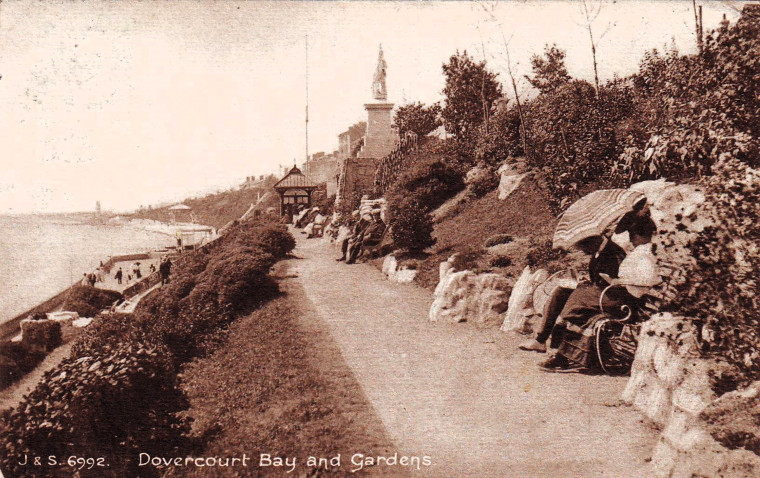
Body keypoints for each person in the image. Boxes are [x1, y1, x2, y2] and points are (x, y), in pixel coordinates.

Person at [521, 209, 657, 372]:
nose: (582, 251)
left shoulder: (615, 253)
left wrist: (608, 281)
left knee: (576, 301)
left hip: (619, 299)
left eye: (583, 247)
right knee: (561, 292)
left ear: (592, 242)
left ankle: (562, 355)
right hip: (606, 292)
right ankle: (541, 340)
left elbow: (629, 282)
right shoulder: (600, 252)